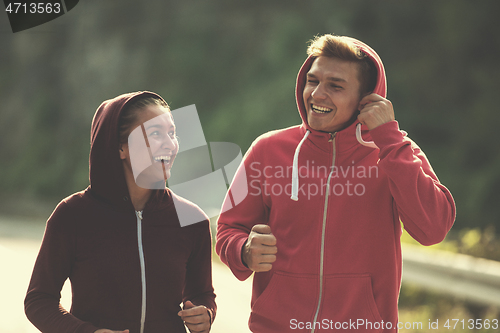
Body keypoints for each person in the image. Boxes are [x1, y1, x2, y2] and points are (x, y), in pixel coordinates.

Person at [216, 34, 456, 332]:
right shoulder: (266, 150)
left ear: (366, 99)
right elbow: (228, 229)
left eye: (335, 86)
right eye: (312, 81)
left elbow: (433, 228)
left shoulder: (396, 151)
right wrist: (244, 250)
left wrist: (389, 139)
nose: (317, 94)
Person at [25, 91, 216, 333]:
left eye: (172, 133)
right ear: (120, 147)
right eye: (155, 133)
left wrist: (204, 314)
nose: (170, 143)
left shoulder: (192, 220)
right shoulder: (71, 216)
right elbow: (39, 300)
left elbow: (202, 294)